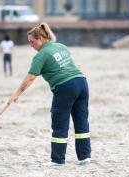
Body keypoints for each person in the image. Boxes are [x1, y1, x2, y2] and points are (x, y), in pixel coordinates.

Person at [8, 22, 91, 166]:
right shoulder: (60, 46)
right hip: (82, 82)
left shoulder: (41, 56)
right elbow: (52, 41)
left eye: (32, 42)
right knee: (81, 121)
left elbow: (30, 77)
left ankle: (57, 160)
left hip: (65, 86)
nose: (31, 45)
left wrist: (16, 95)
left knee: (60, 123)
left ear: (40, 38)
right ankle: (85, 157)